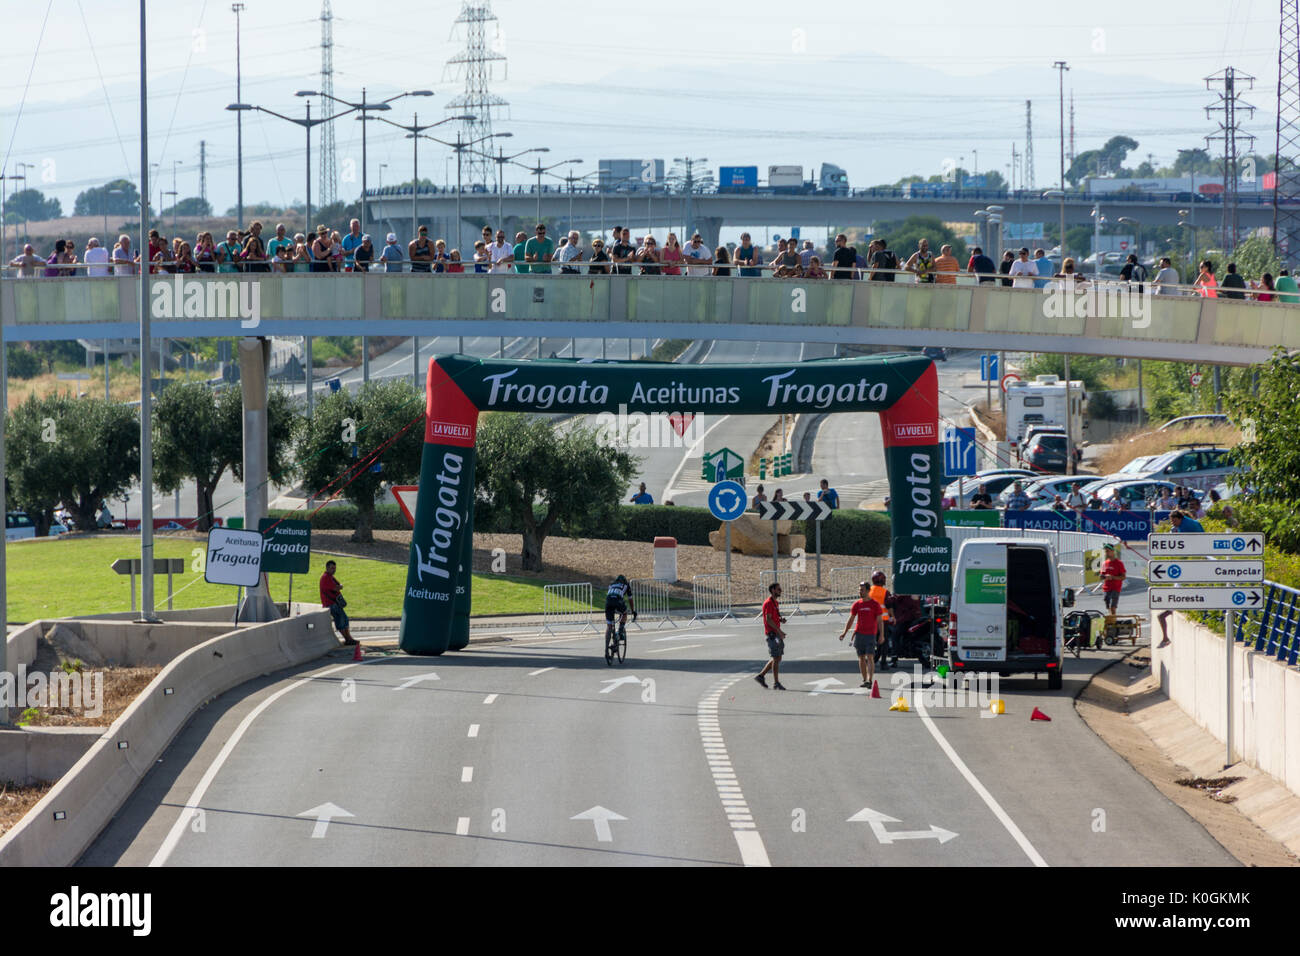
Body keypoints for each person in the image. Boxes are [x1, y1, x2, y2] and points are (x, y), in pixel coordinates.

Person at [839, 581, 885, 688]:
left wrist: (881, 635)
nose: (860, 592)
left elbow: (880, 621)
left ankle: (870, 679)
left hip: (870, 635)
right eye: (859, 590)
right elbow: (851, 619)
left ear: (868, 591)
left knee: (870, 657)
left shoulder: (875, 605)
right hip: (859, 634)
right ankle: (864, 680)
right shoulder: (857, 604)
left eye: (862, 590)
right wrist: (844, 633)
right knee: (861, 658)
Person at [755, 581, 788, 690]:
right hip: (772, 634)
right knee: (776, 657)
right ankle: (776, 683)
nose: (780, 591)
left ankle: (761, 676)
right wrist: (779, 631)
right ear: (773, 590)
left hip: (776, 633)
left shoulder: (775, 603)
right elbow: (768, 619)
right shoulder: (768, 603)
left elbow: (773, 617)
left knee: (777, 657)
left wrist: (780, 620)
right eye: (778, 589)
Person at [320, 559, 356, 645]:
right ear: (327, 568)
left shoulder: (330, 577)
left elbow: (338, 585)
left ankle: (349, 638)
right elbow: (337, 587)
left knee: (344, 619)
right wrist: (340, 586)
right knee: (341, 621)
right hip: (331, 604)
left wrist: (339, 586)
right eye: (332, 568)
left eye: (335, 568)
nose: (334, 570)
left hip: (335, 603)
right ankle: (347, 639)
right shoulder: (325, 578)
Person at [867, 570, 893, 670]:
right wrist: (893, 616)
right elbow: (889, 605)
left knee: (871, 641)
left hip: (870, 620)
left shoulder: (869, 591)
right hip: (883, 621)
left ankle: (871, 660)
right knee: (883, 641)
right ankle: (883, 663)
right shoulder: (885, 592)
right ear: (882, 580)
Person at [1100, 543, 1126, 616]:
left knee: (1113, 607)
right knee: (1108, 606)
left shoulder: (1119, 563)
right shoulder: (1105, 563)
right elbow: (1101, 576)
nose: (1106, 553)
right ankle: (1112, 619)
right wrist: (1105, 576)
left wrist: (1112, 577)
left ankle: (1113, 623)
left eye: (1108, 551)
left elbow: (1123, 577)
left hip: (1115, 588)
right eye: (1105, 551)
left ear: (1112, 551)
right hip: (1106, 588)